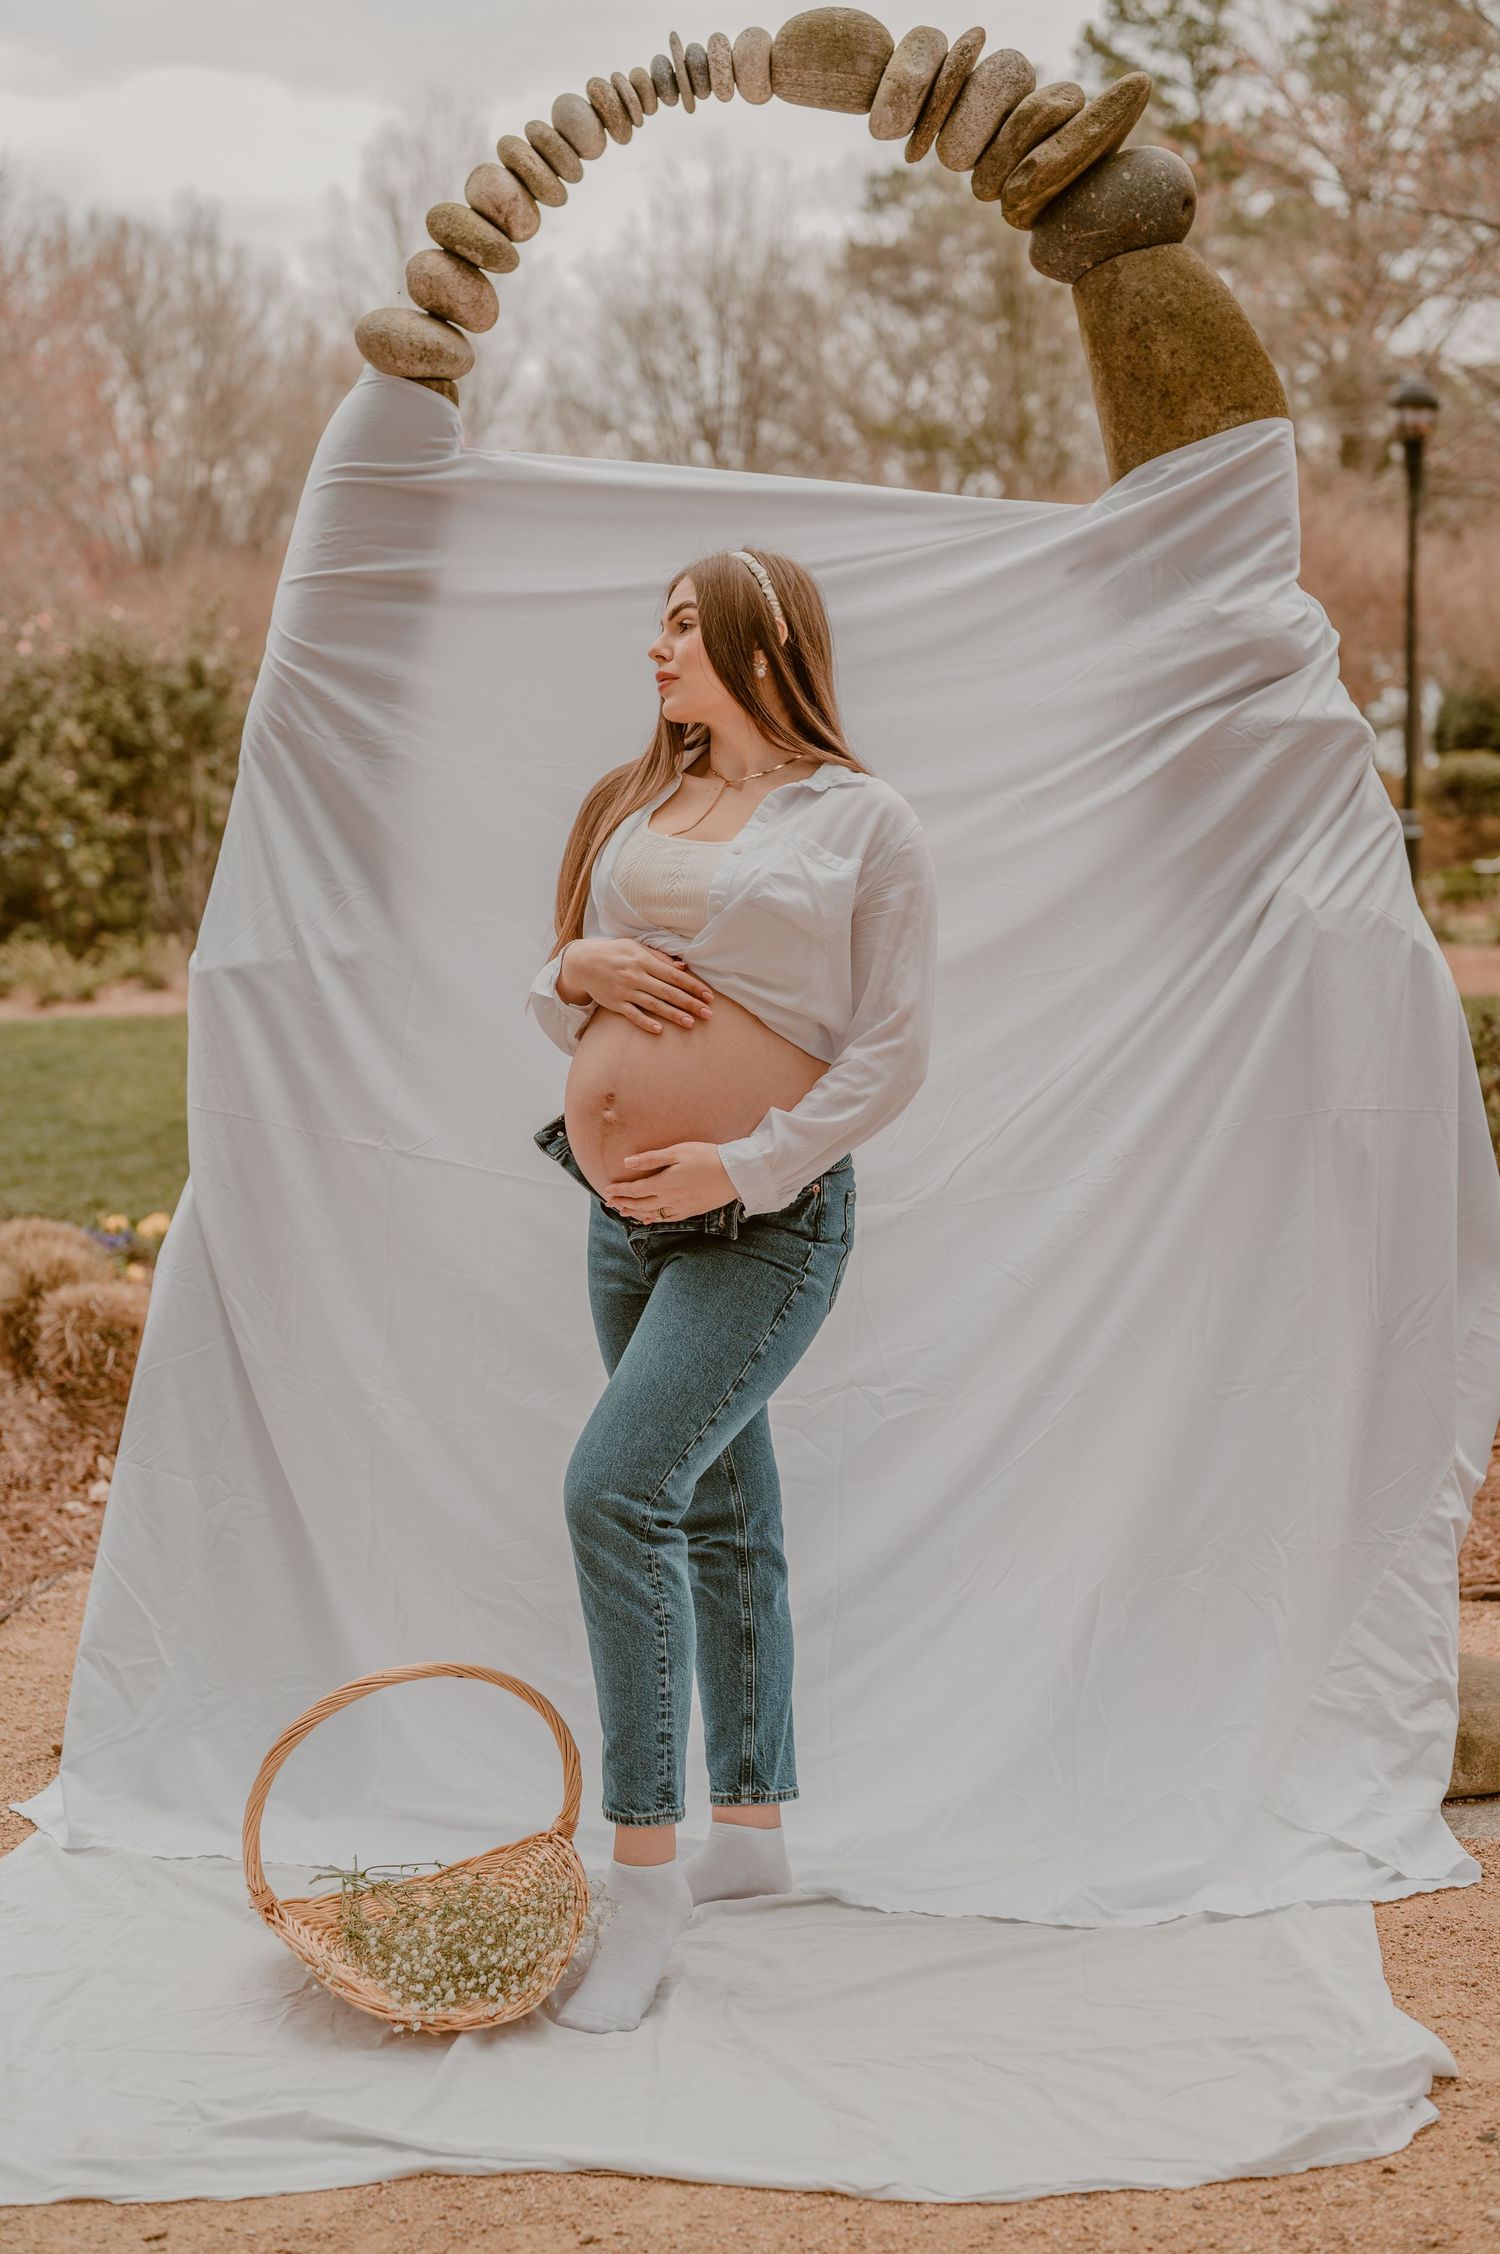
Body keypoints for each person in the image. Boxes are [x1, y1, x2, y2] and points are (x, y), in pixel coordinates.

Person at [524, 545, 939, 2030]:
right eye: (659, 626)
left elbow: (892, 1050)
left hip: (767, 1220)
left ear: (765, 645)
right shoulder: (636, 801)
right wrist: (574, 971)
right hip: (620, 1212)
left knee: (614, 1492)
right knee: (711, 1500)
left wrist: (744, 1164)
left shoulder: (861, 819)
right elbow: (563, 991)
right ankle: (749, 1832)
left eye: (687, 627)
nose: (659, 650)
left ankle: (643, 1885)